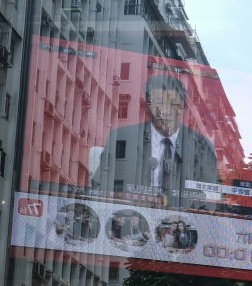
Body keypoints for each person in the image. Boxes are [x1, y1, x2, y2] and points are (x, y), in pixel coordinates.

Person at [93, 74, 219, 209]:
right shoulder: (121, 136)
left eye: (172, 103)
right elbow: (98, 184)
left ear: (182, 107)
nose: (164, 110)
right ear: (148, 105)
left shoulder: (202, 147)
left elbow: (210, 203)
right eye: (158, 102)